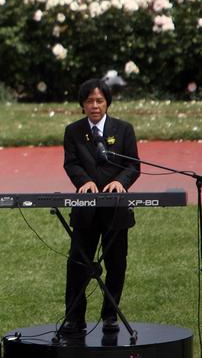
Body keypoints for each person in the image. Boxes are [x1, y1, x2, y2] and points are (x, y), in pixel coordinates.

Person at [61, 79, 140, 335]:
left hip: (116, 209)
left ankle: (110, 315)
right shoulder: (73, 131)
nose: (94, 106)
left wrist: (120, 181)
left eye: (99, 101)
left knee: (116, 264)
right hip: (86, 210)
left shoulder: (124, 129)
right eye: (89, 102)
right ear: (82, 105)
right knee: (78, 264)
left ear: (107, 102)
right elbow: (71, 163)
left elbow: (133, 165)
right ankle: (75, 317)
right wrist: (84, 181)